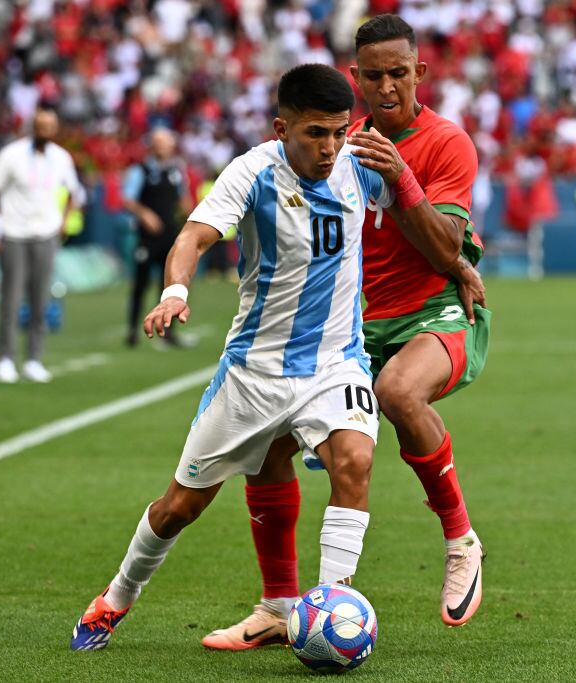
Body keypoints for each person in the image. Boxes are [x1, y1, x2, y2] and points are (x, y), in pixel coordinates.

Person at [70, 63, 430, 651]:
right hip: (253, 373)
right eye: (316, 133)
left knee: (354, 461)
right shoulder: (253, 171)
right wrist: (175, 292)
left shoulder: (363, 163)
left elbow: (417, 216)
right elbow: (191, 237)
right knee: (178, 508)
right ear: (281, 127)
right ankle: (114, 599)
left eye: (340, 131)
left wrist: (456, 264)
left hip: (335, 363)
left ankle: (328, 612)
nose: (331, 147)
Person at [201, 14, 491, 649]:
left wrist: (402, 179)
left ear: (420, 72)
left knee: (398, 392)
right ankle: (280, 608)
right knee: (271, 445)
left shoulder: (446, 142)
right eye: (374, 75)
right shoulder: (336, 140)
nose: (387, 86)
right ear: (355, 77)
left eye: (399, 73)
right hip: (356, 326)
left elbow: (444, 249)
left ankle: (460, 540)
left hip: (432, 311)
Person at [0, 104, 82, 384]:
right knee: (11, 300)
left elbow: (74, 192)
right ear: (32, 126)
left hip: (45, 233)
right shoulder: (11, 155)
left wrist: (63, 221)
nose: (44, 131)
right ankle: (5, 358)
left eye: (49, 127)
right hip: (14, 232)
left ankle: (34, 359)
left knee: (40, 300)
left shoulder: (61, 158)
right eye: (40, 126)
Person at [122, 127, 194, 347]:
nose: (163, 147)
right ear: (152, 146)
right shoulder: (140, 170)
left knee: (170, 284)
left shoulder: (176, 170)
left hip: (170, 236)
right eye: (159, 142)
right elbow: (128, 199)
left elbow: (183, 198)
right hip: (147, 237)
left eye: (166, 143)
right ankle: (133, 330)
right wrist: (145, 214)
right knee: (141, 283)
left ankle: (167, 331)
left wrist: (191, 219)